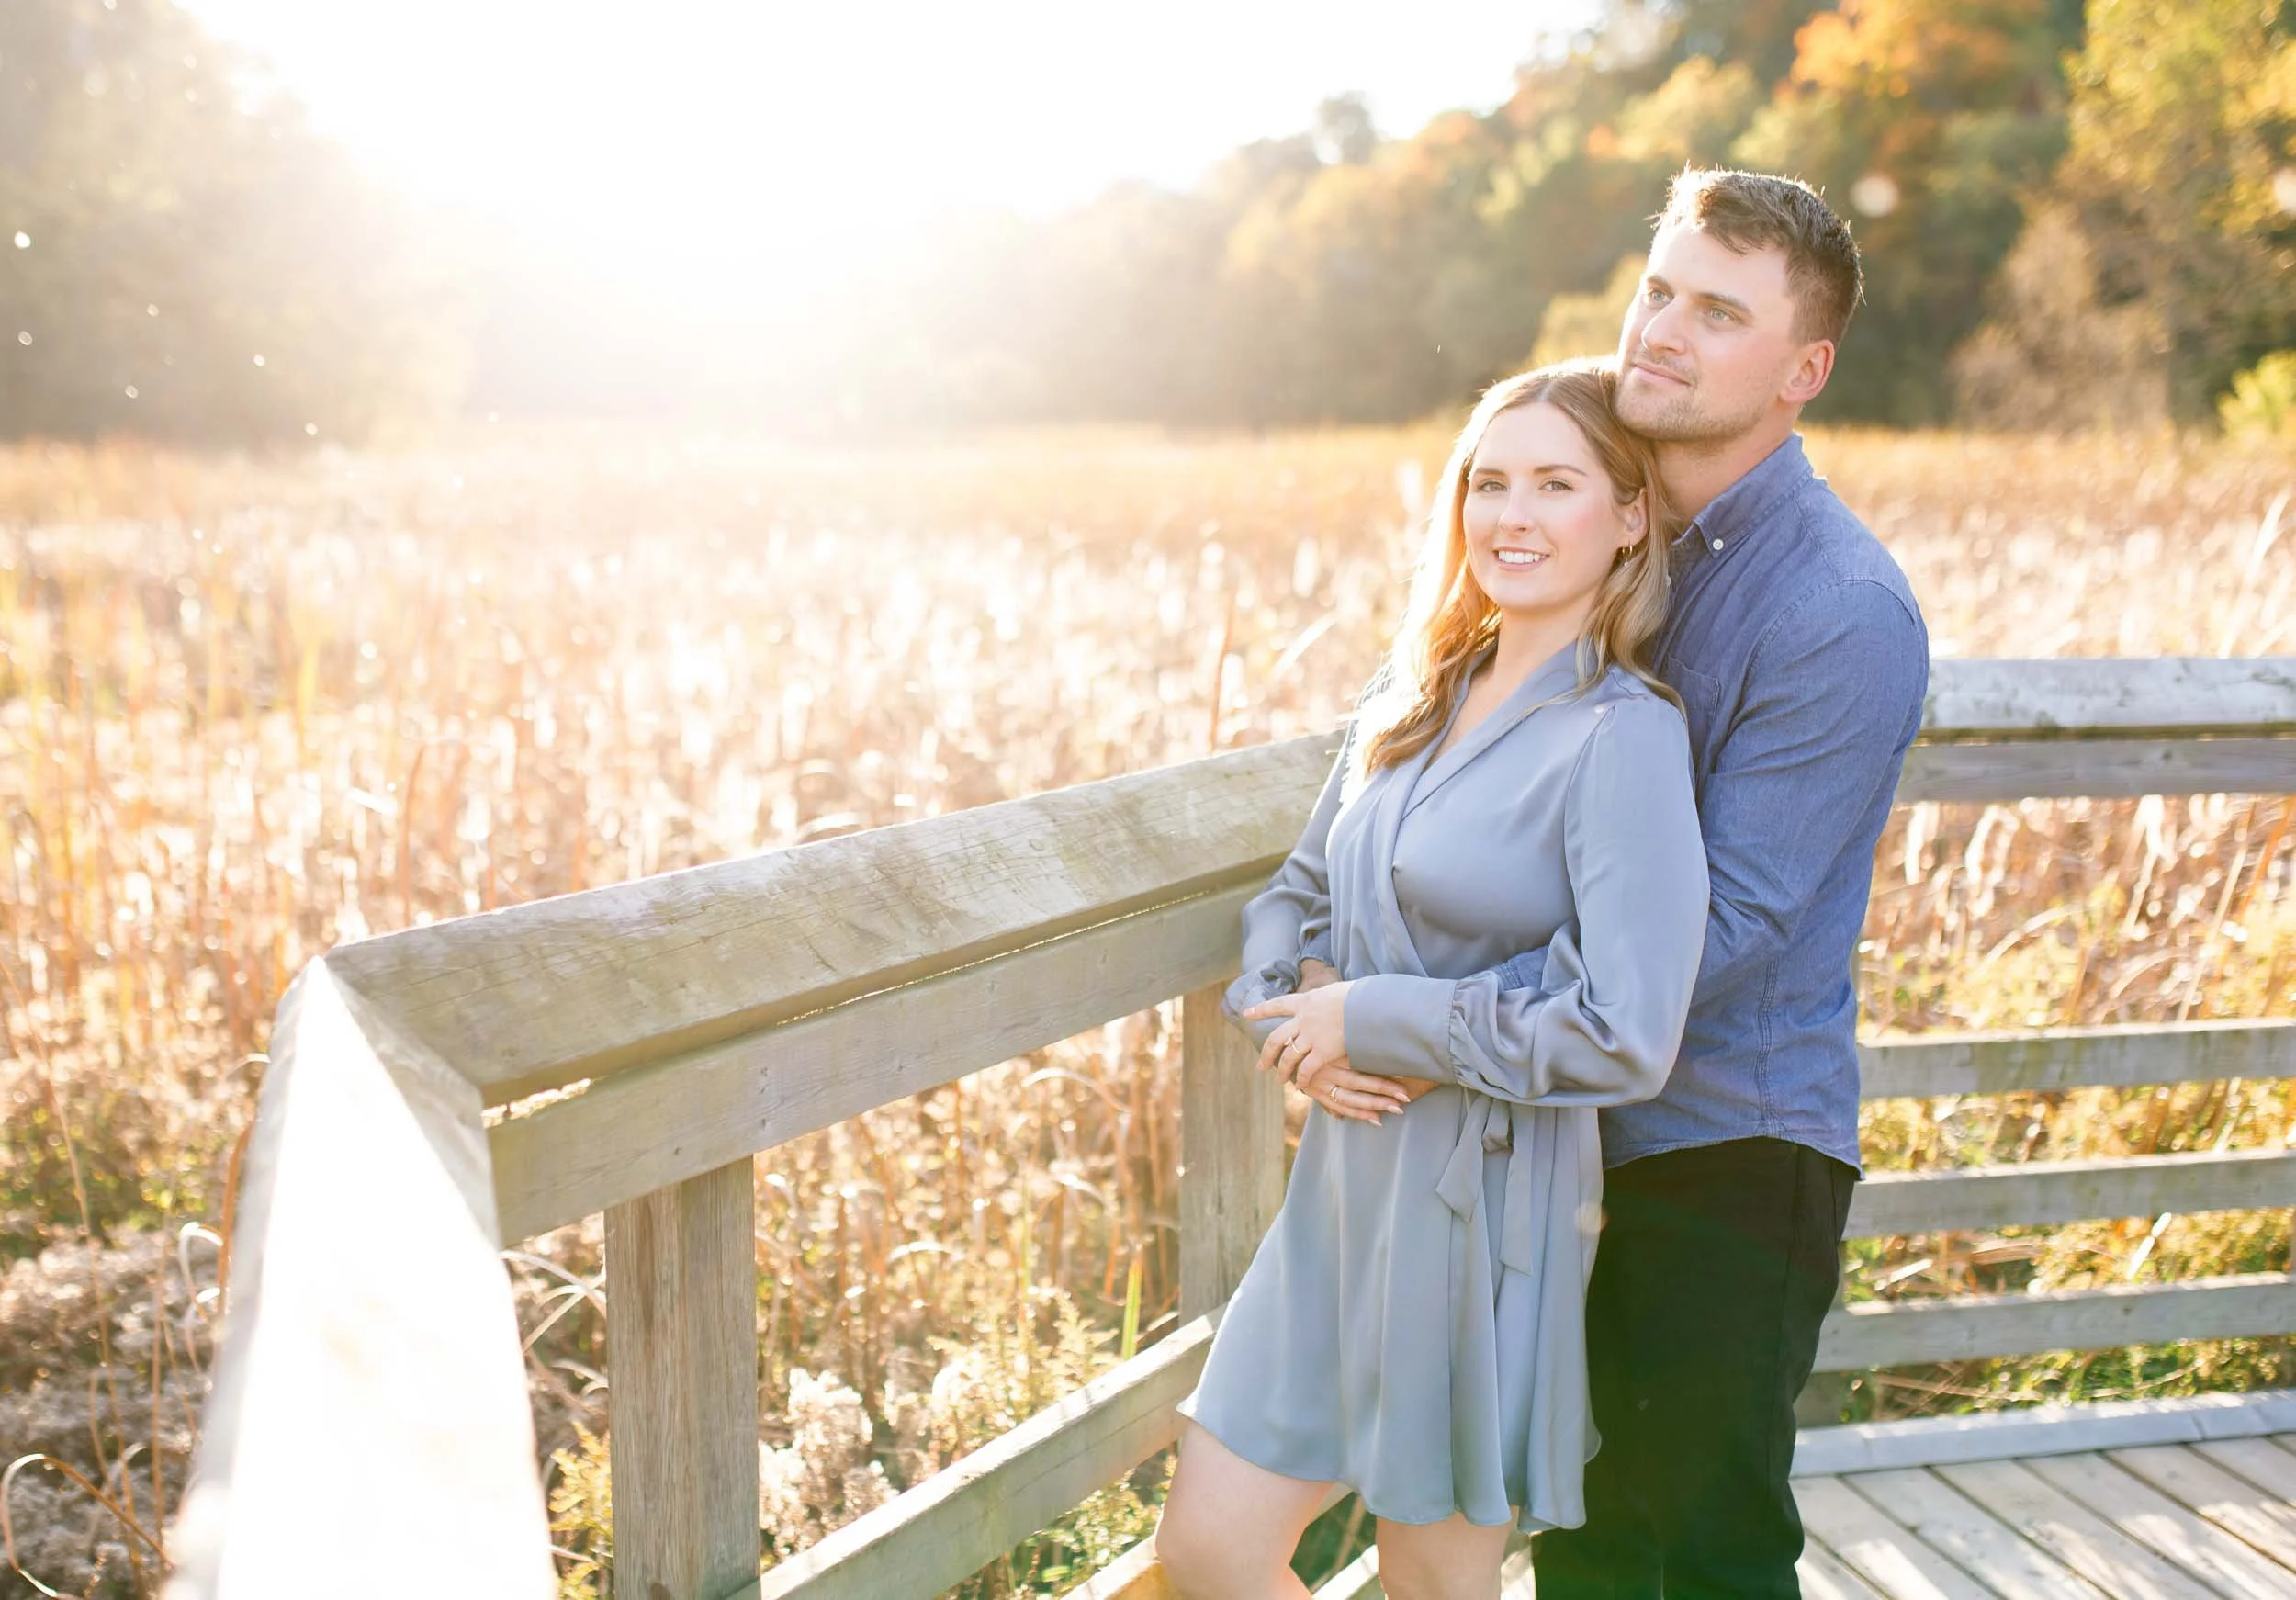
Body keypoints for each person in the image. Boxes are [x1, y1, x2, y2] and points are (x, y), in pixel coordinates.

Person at [1313, 168, 1925, 1597]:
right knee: (1587, 1548)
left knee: (1700, 1549)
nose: (1664, 328)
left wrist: (1407, 1010)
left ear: (1803, 370)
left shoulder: (1836, 608)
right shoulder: (1591, 525)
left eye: (1720, 311)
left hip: (1722, 1144)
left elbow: (1729, 931)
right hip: (1550, 1137)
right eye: (1660, 289)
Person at [1154, 359, 1711, 1600]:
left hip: (1486, 1208)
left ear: (1626, 517)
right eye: (1490, 481)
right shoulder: (1411, 693)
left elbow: (1629, 1032)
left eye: (1555, 483)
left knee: (1433, 1583)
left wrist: (1379, 1016)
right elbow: (1292, 893)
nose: (1512, 514)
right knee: (1208, 1547)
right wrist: (1292, 1017)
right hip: (1338, 1196)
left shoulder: (1623, 736)